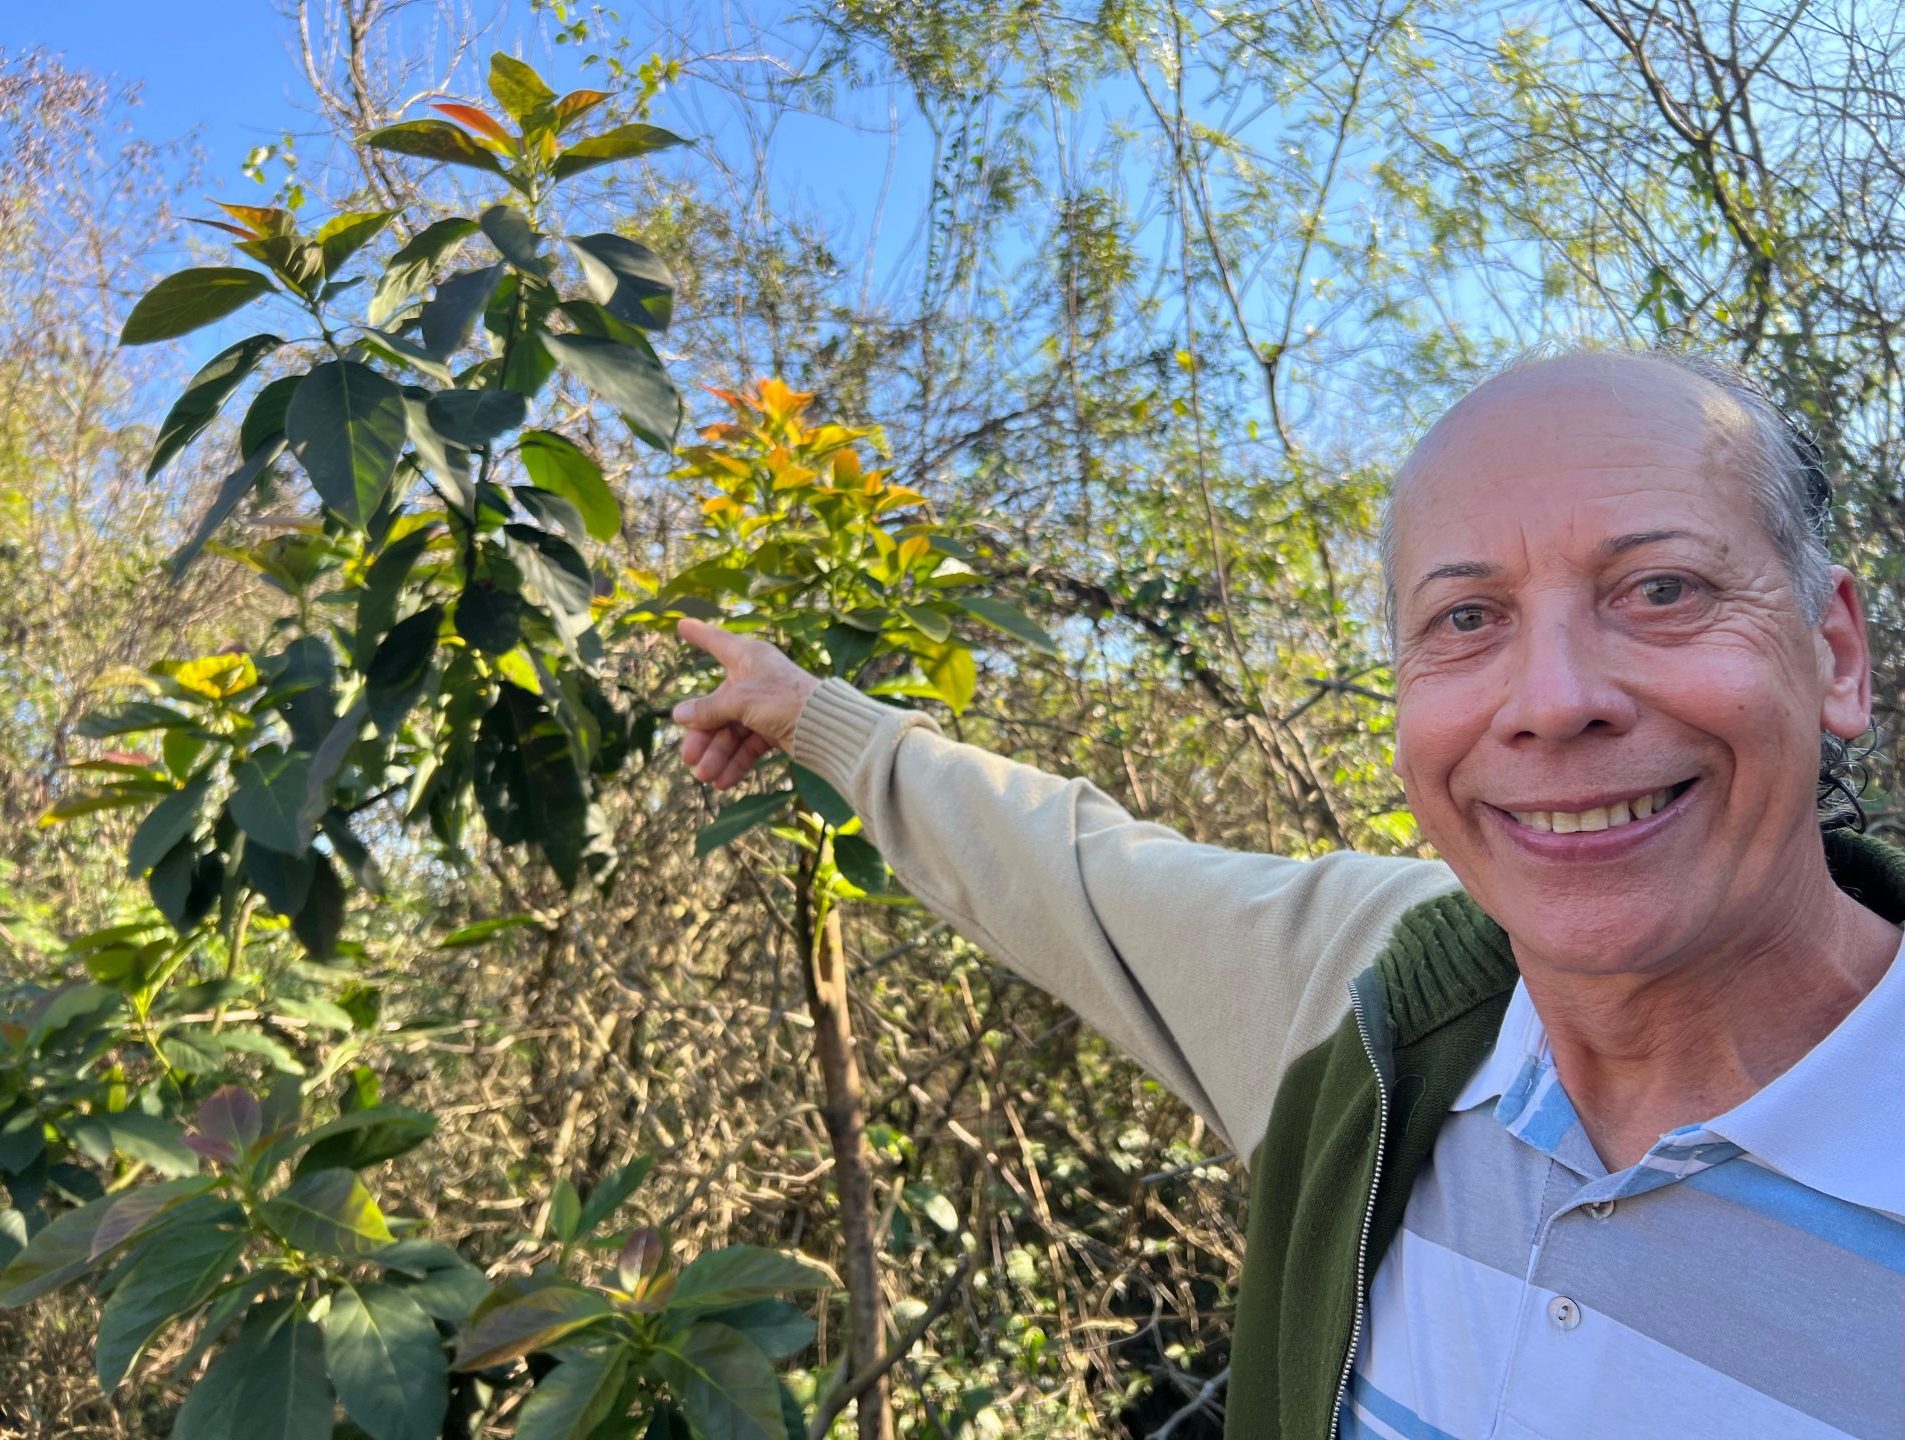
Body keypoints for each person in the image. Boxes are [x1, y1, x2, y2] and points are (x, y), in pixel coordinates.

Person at [669, 349, 1905, 1440]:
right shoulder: (1368, 999)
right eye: (1466, 617)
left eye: (1662, 590)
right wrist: (817, 717)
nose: (1551, 699)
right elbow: (1076, 868)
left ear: (1835, 654)